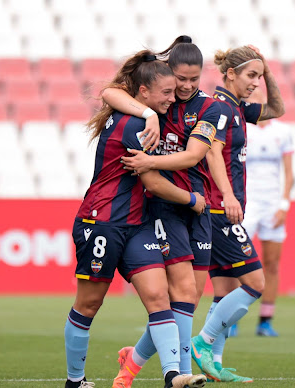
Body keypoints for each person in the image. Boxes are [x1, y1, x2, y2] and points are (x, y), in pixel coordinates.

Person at [63, 49, 206, 388]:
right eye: (167, 93)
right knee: (89, 303)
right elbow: (153, 181)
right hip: (103, 222)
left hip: (136, 223)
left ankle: (173, 374)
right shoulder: (137, 125)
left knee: (159, 296)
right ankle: (75, 381)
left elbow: (111, 92)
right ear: (144, 93)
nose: (173, 99)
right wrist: (192, 199)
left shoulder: (137, 113)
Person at [99, 36, 222, 386]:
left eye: (192, 80)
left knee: (190, 298)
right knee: (180, 292)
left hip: (197, 203)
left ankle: (132, 361)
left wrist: (149, 160)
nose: (183, 87)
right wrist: (148, 111)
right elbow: (109, 93)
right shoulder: (160, 99)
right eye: (179, 79)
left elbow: (194, 155)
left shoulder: (209, 108)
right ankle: (180, 375)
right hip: (162, 205)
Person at [190, 45, 285, 383]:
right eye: (251, 75)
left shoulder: (236, 108)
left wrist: (267, 70)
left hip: (219, 210)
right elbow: (213, 152)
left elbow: (277, 108)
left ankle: (213, 362)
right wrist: (229, 196)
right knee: (255, 283)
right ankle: (202, 342)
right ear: (230, 74)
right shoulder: (220, 109)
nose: (256, 82)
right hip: (219, 210)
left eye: (259, 76)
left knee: (225, 291)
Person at [234, 87, 294, 337]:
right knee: (238, 260)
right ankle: (232, 318)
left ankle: (265, 320)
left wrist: (284, 205)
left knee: (271, 263)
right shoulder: (242, 128)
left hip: (271, 203)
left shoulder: (283, 132)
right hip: (246, 203)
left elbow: (289, 173)